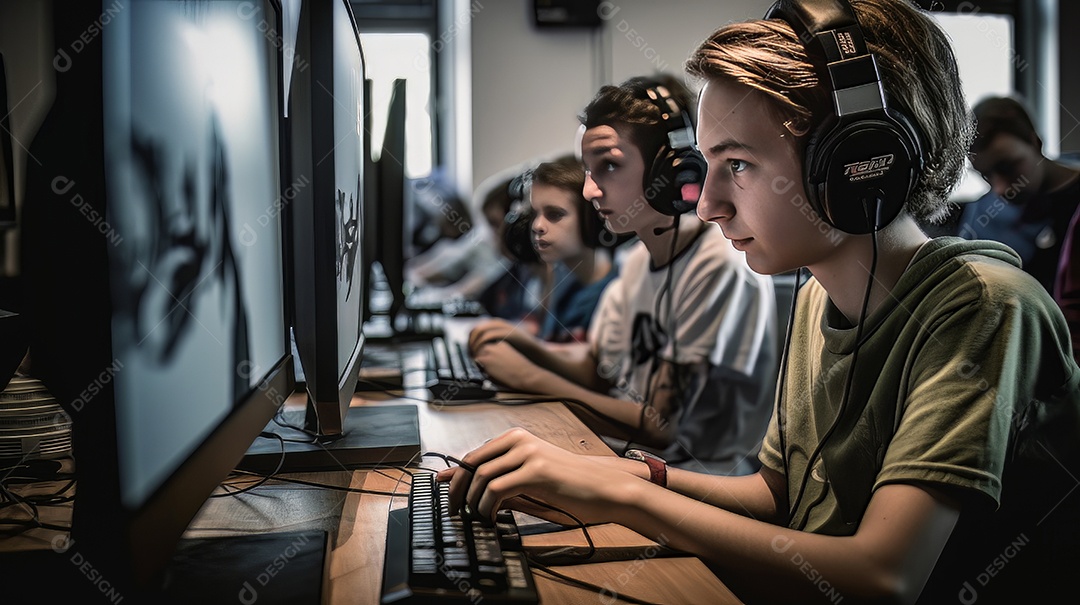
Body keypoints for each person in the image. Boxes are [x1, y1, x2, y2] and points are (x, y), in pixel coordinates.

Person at [438, 1, 1080, 603]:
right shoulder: (817, 294)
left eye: (737, 165)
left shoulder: (985, 308)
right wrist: (628, 477)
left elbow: (884, 576)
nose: (706, 202)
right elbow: (778, 493)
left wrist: (623, 501)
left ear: (862, 162)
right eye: (707, 165)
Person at [467, 74, 778, 475]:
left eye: (609, 166)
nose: (589, 191)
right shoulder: (635, 261)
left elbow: (661, 427)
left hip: (696, 480)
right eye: (588, 171)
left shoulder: (716, 264)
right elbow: (598, 366)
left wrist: (530, 378)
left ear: (673, 168)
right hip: (630, 460)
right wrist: (522, 345)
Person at [958, 95, 1080, 295]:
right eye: (986, 176)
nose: (999, 189)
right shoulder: (984, 215)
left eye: (1007, 167)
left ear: (1034, 141)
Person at [520, 153, 618, 343]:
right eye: (534, 214)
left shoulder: (610, 294)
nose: (537, 226)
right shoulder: (563, 279)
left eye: (554, 214)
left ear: (591, 218)